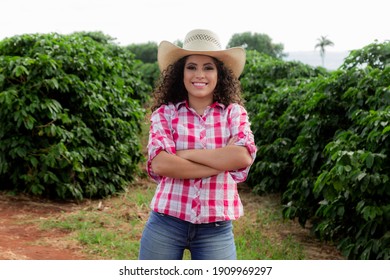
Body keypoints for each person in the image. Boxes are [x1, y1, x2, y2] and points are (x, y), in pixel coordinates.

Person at [138, 29, 257, 260]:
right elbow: (162, 164)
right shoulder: (165, 113)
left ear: (219, 74)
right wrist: (222, 162)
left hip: (216, 228)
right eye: (191, 66)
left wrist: (184, 154)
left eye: (208, 67)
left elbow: (242, 157)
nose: (199, 74)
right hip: (166, 223)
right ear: (180, 73)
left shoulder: (234, 113)